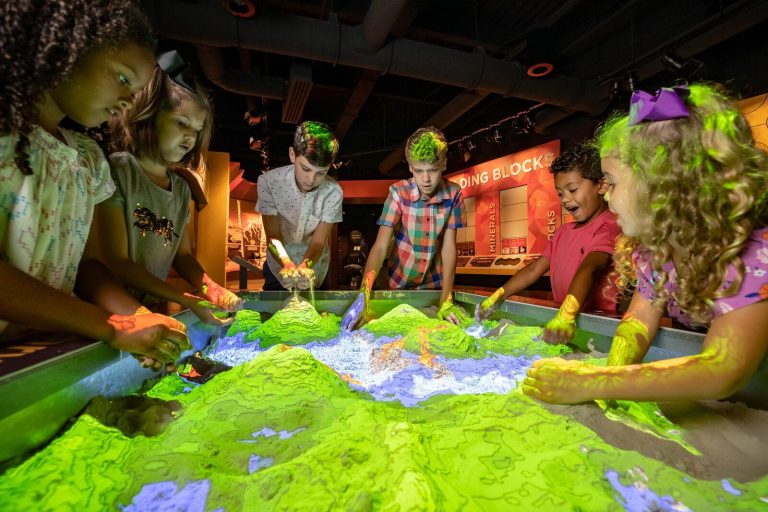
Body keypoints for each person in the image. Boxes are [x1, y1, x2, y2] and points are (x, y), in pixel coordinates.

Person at [524, 84, 768, 404]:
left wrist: (593, 384)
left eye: (612, 183)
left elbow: (722, 369)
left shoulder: (753, 254)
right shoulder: (657, 253)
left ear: (662, 187)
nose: (606, 195)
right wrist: (611, 377)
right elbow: (639, 319)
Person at [0, 0, 189, 366]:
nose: (127, 101)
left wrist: (136, 317)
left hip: (45, 349)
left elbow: (89, 266)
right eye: (123, 79)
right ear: (65, 48)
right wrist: (112, 325)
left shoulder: (88, 159)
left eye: (134, 91)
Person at [97, 55, 243, 327]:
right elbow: (116, 262)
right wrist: (183, 298)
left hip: (151, 308)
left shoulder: (181, 190)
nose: (190, 137)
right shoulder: (119, 171)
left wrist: (210, 288)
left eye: (196, 130)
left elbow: (183, 255)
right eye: (181, 123)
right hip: (111, 311)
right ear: (150, 115)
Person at [475, 145, 621, 344]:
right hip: (561, 326)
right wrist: (498, 295)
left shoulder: (610, 225)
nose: (565, 199)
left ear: (602, 186)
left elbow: (591, 267)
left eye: (572, 190)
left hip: (597, 330)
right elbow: (533, 269)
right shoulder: (562, 233)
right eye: (560, 193)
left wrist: (567, 313)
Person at [341, 126, 466, 330]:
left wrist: (446, 299)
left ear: (443, 164)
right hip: (399, 284)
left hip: (434, 286)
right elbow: (380, 247)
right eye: (419, 171)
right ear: (410, 167)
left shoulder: (454, 193)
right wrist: (363, 294)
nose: (426, 179)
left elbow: (449, 248)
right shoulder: (398, 192)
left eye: (432, 170)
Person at [256, 121, 343, 291]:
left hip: (314, 266)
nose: (311, 179)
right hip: (278, 265)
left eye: (321, 173)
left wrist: (305, 266)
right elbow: (273, 236)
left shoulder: (334, 192)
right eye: (305, 168)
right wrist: (286, 263)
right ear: (292, 154)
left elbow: (318, 242)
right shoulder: (269, 182)